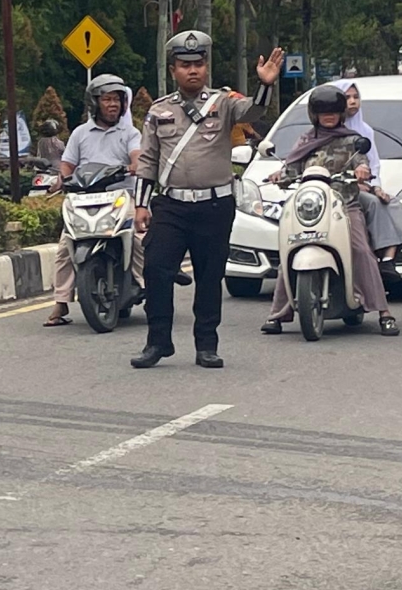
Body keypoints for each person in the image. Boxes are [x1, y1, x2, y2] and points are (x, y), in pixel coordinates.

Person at [128, 30, 254, 369]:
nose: (193, 70)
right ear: (173, 70)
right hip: (172, 205)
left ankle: (206, 345)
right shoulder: (159, 111)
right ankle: (158, 342)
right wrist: (141, 205)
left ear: (206, 67)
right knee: (156, 268)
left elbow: (253, 114)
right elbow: (148, 161)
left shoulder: (224, 103)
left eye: (199, 64)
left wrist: (267, 84)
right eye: (185, 65)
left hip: (215, 205)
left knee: (209, 275)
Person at [262, 83, 397, 336]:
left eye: (333, 111)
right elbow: (293, 166)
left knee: (360, 250)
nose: (329, 116)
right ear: (315, 114)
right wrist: (280, 175)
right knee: (287, 251)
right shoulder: (305, 140)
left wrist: (362, 170)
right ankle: (278, 313)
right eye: (323, 111)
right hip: (311, 207)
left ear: (341, 113)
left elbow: (361, 160)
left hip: (345, 206)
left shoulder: (352, 140)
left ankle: (384, 312)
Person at [46, 73, 142, 325]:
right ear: (94, 103)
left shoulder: (130, 133)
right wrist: (61, 179)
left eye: (117, 100)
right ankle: (61, 302)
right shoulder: (80, 133)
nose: (113, 105)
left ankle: (147, 287)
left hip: (121, 196)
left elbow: (137, 155)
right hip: (85, 197)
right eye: (107, 99)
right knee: (65, 246)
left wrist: (135, 164)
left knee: (141, 237)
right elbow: (67, 164)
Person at [336, 79, 402, 265]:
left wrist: (376, 186)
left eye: (356, 97)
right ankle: (384, 250)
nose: (353, 101)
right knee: (373, 203)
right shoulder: (331, 130)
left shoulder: (365, 131)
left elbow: (373, 163)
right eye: (347, 97)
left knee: (391, 202)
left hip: (363, 184)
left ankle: (391, 255)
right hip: (339, 188)